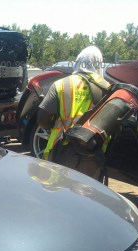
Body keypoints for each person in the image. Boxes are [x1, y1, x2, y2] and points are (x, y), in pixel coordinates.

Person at [37, 46, 111, 180]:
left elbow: (42, 119)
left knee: (61, 195)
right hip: (92, 156)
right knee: (90, 196)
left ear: (78, 62)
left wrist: (52, 127)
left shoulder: (60, 85)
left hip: (62, 152)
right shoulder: (107, 88)